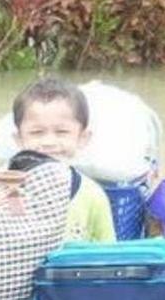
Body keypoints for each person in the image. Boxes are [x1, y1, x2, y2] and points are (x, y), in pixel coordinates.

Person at [12, 76, 115, 243]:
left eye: (61, 132)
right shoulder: (1, 190)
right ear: (19, 139)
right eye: (37, 132)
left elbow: (108, 254)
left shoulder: (93, 195)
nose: (49, 142)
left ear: (83, 138)